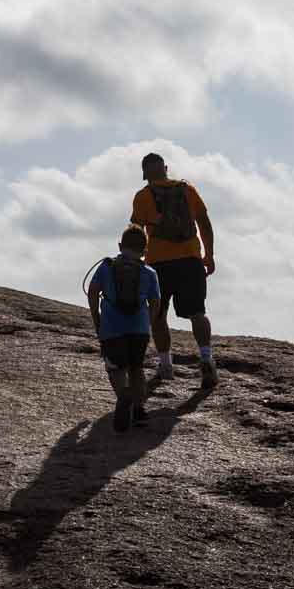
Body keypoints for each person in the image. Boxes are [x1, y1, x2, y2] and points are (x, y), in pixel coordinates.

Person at [129, 152, 218, 389]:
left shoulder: (142, 197)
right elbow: (205, 224)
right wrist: (208, 255)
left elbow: (135, 233)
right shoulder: (187, 190)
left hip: (157, 264)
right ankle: (206, 358)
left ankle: (166, 365)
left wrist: (133, 262)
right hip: (190, 259)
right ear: (166, 168)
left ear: (145, 173)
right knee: (197, 313)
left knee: (158, 315)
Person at [87, 227, 161, 432]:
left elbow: (93, 291)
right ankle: (139, 410)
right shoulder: (149, 272)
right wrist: (148, 324)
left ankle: (124, 396)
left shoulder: (106, 266)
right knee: (136, 369)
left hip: (112, 329)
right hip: (139, 330)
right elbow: (155, 302)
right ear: (145, 251)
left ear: (120, 246)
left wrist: (96, 318)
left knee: (116, 368)